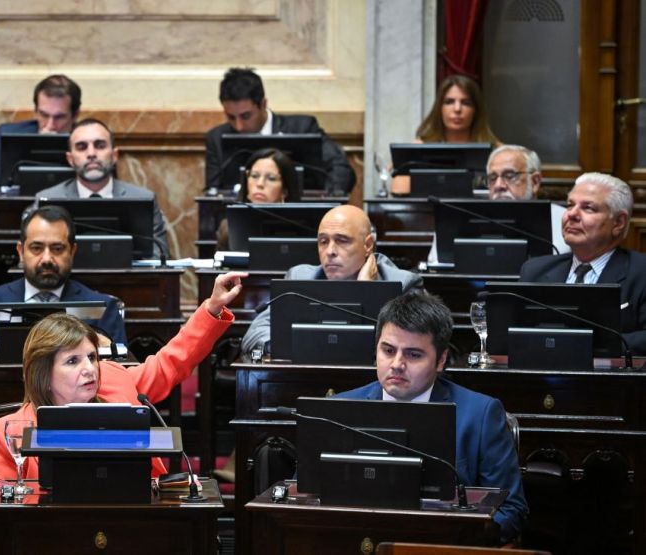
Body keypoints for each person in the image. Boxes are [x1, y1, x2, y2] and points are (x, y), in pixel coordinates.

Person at [0, 271, 246, 541]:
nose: (90, 369)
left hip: (138, 531)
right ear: (43, 376)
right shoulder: (14, 435)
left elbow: (170, 363)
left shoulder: (115, 380)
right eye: (72, 361)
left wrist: (212, 308)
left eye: (91, 357)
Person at [335, 292, 527, 544]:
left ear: (441, 360)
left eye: (413, 354)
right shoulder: (338, 410)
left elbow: (510, 509)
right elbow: (302, 495)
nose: (397, 364)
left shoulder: (480, 415)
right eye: (388, 350)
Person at [241, 204, 422, 357]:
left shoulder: (403, 285)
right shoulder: (299, 279)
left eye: (342, 241)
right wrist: (292, 346)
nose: (330, 251)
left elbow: (408, 349)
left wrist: (365, 290)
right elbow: (254, 335)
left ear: (368, 245)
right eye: (323, 241)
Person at [0, 205, 127, 346]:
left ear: (72, 251)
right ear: (21, 252)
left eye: (57, 249)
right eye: (36, 248)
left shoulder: (103, 309)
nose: (47, 259)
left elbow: (118, 369)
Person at [519, 172, 646, 353]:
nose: (571, 214)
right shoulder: (534, 271)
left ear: (618, 222)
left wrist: (584, 343)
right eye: (570, 205)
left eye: (588, 208)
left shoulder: (641, 272)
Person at [33, 118, 170, 259]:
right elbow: (35, 257)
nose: (91, 153)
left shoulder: (144, 199)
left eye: (100, 145)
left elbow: (159, 257)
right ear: (70, 159)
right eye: (82, 147)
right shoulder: (48, 201)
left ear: (114, 155)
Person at [204, 67, 354, 194]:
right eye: (231, 117)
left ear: (263, 104)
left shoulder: (301, 128)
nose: (239, 126)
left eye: (246, 116)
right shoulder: (217, 138)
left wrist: (329, 199)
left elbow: (339, 168)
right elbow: (213, 191)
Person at [426, 144, 569, 264]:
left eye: (510, 176)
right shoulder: (460, 216)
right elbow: (437, 267)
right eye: (492, 178)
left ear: (535, 181)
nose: (499, 185)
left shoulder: (564, 219)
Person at [392, 74, 501, 195]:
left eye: (466, 103)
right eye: (449, 102)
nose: (457, 109)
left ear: (476, 110)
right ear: (439, 108)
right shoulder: (420, 148)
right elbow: (399, 190)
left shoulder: (497, 152)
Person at [0, 74, 80, 187]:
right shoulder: (8, 135)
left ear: (75, 115)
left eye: (59, 117)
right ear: (35, 111)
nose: (50, 125)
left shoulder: (89, 142)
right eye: (44, 115)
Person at [215, 147, 302, 250]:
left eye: (271, 178)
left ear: (285, 191)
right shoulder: (228, 228)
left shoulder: (301, 227)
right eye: (254, 176)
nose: (260, 184)